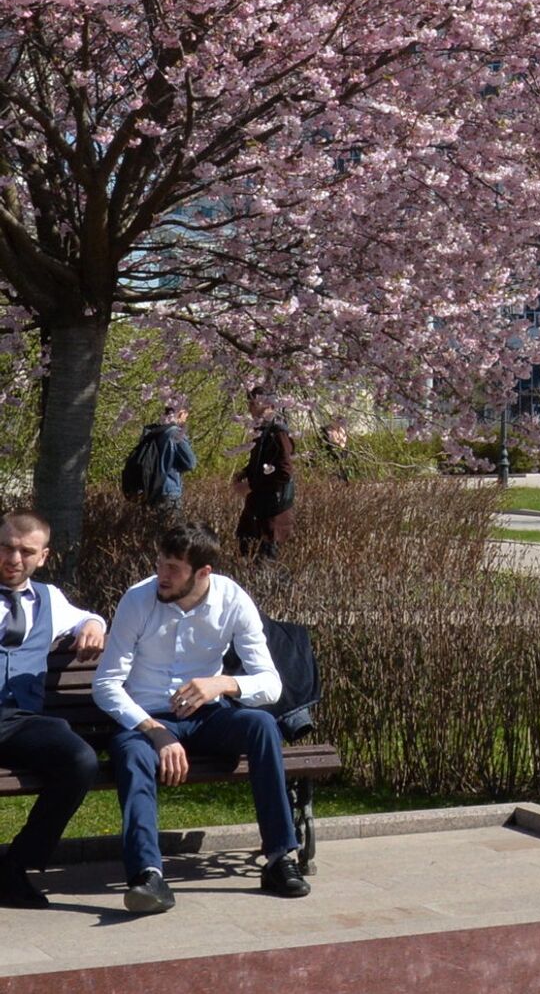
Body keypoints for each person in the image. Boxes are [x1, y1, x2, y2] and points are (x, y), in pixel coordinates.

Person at [93, 519, 310, 914]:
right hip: (146, 720)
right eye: (160, 563)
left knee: (261, 725)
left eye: (173, 568)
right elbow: (106, 684)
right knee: (133, 754)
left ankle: (280, 857)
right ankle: (147, 876)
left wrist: (222, 684)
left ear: (203, 572)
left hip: (208, 717)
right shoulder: (137, 600)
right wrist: (155, 731)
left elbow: (271, 684)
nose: (162, 575)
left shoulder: (232, 599)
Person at [0, 510, 107, 909]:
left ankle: (15, 867)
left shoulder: (50, 599)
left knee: (79, 759)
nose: (14, 559)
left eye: (26, 551)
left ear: (43, 557)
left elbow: (86, 617)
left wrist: (94, 625)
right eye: (6, 547)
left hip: (20, 722)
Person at [233, 387, 295, 561]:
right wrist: (244, 473)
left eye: (255, 404)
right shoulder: (262, 431)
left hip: (272, 514)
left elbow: (284, 472)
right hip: (256, 511)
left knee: (265, 564)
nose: (251, 409)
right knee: (246, 554)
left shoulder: (278, 433)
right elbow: (262, 464)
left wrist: (251, 485)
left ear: (270, 405)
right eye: (250, 404)